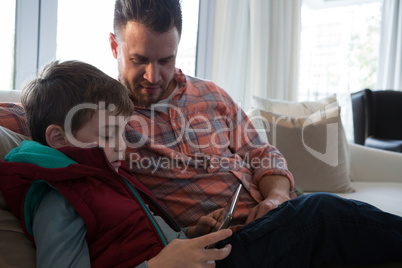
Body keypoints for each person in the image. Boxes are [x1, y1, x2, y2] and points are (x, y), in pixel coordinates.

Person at [106, 0, 402, 266]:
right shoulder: (108, 119)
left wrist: (275, 197)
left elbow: (262, 154)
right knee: (323, 212)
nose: (152, 76)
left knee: (340, 229)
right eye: (139, 60)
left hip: (277, 220)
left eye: (165, 60)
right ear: (115, 47)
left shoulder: (211, 94)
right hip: (222, 248)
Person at [0, 60, 233, 267]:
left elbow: (142, 241)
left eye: (121, 133)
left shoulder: (108, 176)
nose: (122, 146)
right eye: (108, 135)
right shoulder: (60, 200)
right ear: (59, 139)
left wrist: (191, 233)